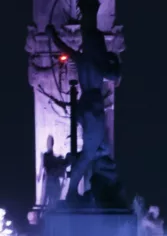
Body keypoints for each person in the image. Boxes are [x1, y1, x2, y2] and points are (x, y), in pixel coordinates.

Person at [45, 21, 121, 204]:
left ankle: (90, 182)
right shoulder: (98, 61)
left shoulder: (81, 58)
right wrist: (113, 59)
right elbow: (115, 75)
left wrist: (52, 34)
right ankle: (72, 192)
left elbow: (62, 46)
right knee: (89, 153)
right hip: (94, 105)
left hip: (83, 103)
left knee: (99, 149)